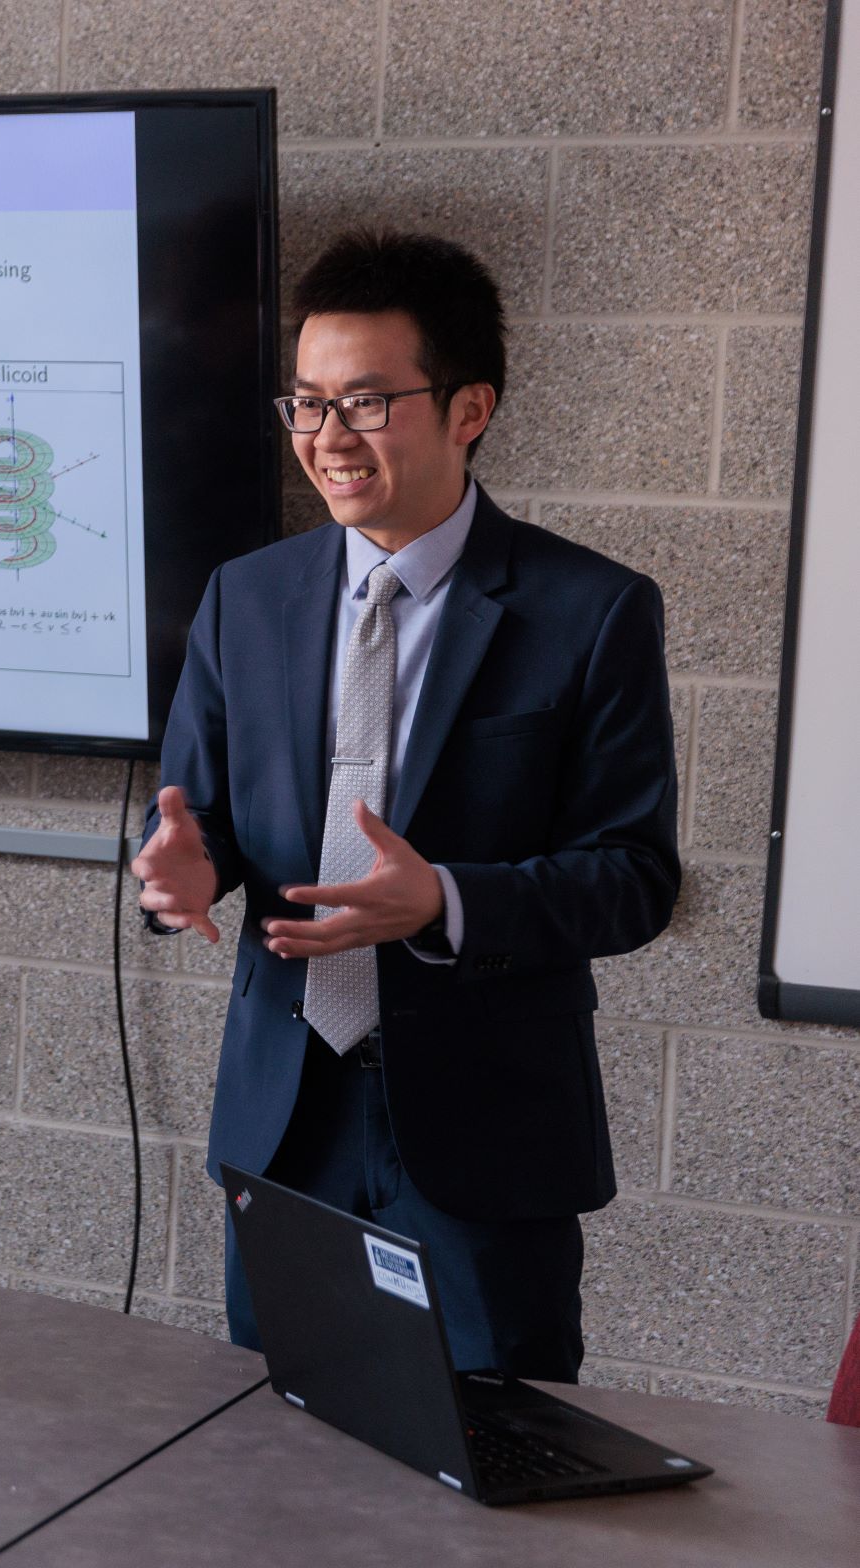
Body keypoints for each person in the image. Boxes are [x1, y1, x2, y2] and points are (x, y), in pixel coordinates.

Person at [133, 229, 678, 1382]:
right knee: (275, 1462)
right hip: (287, 1114)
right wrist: (179, 867)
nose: (325, 440)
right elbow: (202, 819)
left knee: (490, 1474)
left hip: (481, 1133)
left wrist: (439, 899)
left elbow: (632, 876)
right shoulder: (246, 596)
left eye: (366, 403)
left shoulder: (588, 612)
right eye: (306, 402)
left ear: (468, 407)